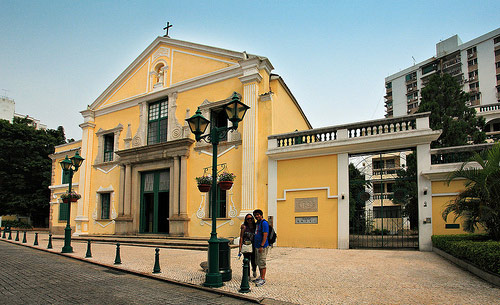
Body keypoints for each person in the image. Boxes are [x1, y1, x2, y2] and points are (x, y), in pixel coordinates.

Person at [253, 209, 269, 287]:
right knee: (258, 262)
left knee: (262, 261)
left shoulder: (264, 223)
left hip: (261, 246)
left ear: (261, 215)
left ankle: (263, 278)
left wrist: (262, 245)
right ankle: (260, 276)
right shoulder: (257, 223)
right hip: (257, 246)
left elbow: (265, 235)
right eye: (255, 215)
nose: (257, 216)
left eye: (258, 214)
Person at [239, 213, 257, 278]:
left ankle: (254, 270)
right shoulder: (244, 227)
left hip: (254, 245)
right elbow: (241, 237)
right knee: (246, 260)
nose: (249, 220)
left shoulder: (255, 226)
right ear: (246, 220)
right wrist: (240, 247)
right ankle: (247, 275)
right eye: (248, 219)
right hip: (246, 245)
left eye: (251, 218)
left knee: (254, 260)